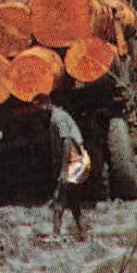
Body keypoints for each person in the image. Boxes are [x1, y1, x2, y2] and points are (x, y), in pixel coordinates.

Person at [40, 95, 89, 241]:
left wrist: (63, 169)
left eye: (40, 107)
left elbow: (66, 141)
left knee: (59, 197)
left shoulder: (58, 118)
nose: (40, 111)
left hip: (74, 161)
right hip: (74, 161)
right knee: (72, 198)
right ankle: (83, 231)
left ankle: (56, 234)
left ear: (48, 104)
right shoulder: (56, 116)